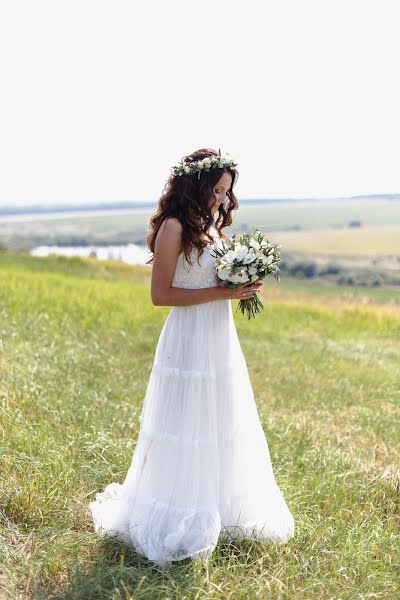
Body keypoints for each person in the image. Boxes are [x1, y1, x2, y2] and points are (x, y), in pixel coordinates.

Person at [89, 148, 295, 567]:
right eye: (217, 189)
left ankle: (223, 505)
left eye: (226, 192)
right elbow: (160, 295)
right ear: (196, 185)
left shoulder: (210, 226)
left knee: (221, 418)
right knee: (185, 423)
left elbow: (213, 279)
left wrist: (240, 282)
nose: (222, 199)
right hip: (187, 341)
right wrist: (224, 292)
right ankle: (181, 507)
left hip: (219, 337)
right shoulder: (173, 227)